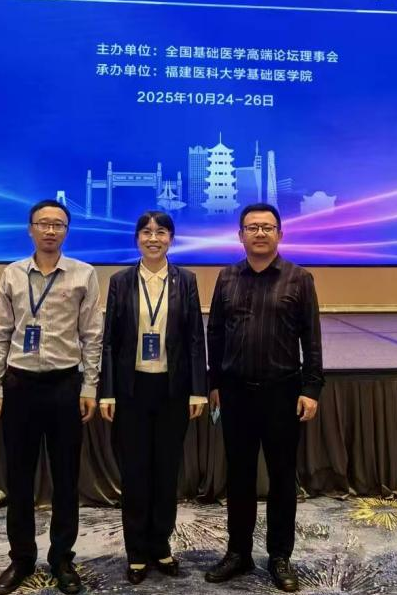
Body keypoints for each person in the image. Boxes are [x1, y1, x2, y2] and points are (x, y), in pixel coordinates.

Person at [0, 199, 103, 595]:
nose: (51, 230)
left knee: (66, 479)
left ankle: (62, 558)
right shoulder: (12, 274)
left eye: (58, 224)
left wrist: (89, 387)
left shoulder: (84, 274)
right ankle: (21, 559)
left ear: (66, 231)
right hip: (20, 386)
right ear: (30, 229)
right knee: (19, 478)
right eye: (43, 223)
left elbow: (92, 336)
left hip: (65, 386)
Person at [204, 203, 324, 593]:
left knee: (282, 479)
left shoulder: (299, 278)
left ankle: (279, 556)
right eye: (252, 227)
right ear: (240, 235)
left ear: (280, 234)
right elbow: (215, 334)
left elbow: (312, 339)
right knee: (238, 477)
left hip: (282, 393)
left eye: (267, 227)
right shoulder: (226, 277)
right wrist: (214, 384)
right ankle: (238, 552)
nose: (260, 233)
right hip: (236, 394)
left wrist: (311, 389)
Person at [99, 211, 207, 584]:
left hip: (172, 390)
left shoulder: (186, 280)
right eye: (146, 232)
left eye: (161, 232)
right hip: (131, 391)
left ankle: (160, 545)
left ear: (171, 239)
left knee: (165, 470)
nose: (153, 238)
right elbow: (109, 341)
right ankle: (136, 552)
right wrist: (107, 392)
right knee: (135, 472)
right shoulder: (120, 281)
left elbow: (194, 338)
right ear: (137, 239)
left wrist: (198, 389)